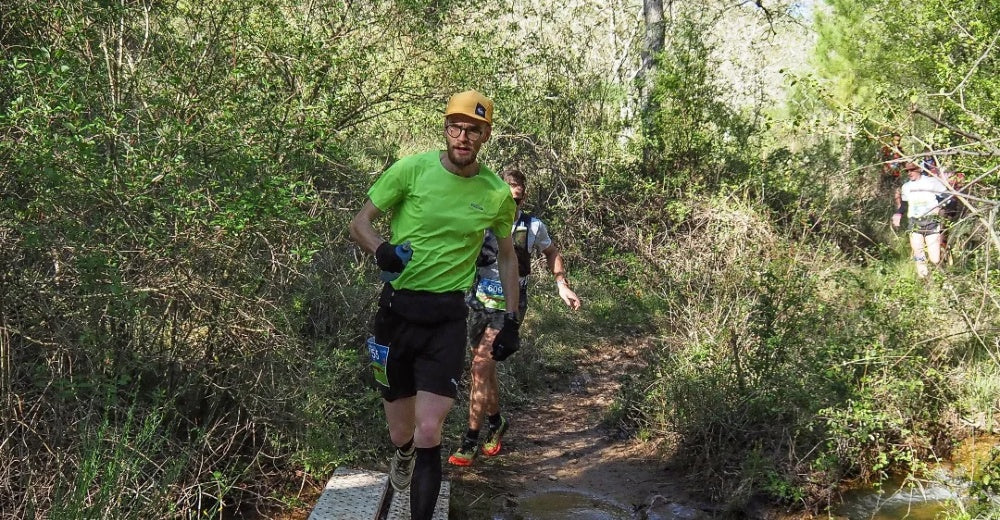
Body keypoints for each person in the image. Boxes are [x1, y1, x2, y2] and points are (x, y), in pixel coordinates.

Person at [348, 90, 522, 520]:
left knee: (430, 430)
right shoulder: (412, 170)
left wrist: (512, 319)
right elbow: (359, 223)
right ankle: (401, 452)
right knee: (401, 430)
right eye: (456, 127)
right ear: (445, 129)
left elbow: (505, 255)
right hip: (395, 314)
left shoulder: (497, 193)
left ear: (485, 136)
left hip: (446, 317)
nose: (463, 136)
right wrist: (380, 251)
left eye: (473, 130)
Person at [447, 168, 582, 467]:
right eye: (507, 194)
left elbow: (551, 251)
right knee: (483, 369)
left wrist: (561, 283)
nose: (512, 202)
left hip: (510, 305)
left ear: (523, 197)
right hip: (478, 302)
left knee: (481, 367)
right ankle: (496, 422)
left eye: (517, 197)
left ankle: (470, 439)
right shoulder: (481, 220)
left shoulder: (533, 227)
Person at [891, 161, 948, 278]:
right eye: (907, 171)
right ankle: (924, 280)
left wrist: (940, 207)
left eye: (912, 170)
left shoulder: (932, 183)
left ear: (920, 170)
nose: (909, 173)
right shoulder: (906, 187)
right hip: (914, 223)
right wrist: (898, 214)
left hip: (931, 222)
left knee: (935, 259)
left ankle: (943, 268)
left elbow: (948, 197)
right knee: (918, 254)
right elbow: (904, 205)